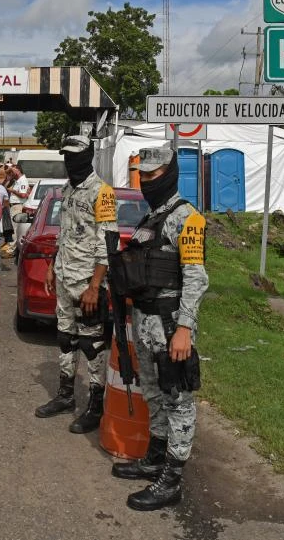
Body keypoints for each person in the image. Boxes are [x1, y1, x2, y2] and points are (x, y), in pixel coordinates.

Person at [110, 147, 208, 511]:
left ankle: (172, 478)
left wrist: (185, 328)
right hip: (145, 322)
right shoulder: (151, 217)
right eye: (142, 175)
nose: (146, 181)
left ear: (170, 174)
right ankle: (154, 457)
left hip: (170, 325)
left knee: (178, 399)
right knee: (153, 394)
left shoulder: (188, 219)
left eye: (152, 175)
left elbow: (196, 278)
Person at [36, 134, 116, 434]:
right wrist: (52, 267)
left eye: (75, 157)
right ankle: (66, 395)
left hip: (87, 284)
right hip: (65, 276)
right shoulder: (67, 190)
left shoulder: (102, 192)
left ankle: (96, 406)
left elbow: (107, 243)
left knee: (91, 344)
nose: (69, 162)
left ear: (88, 156)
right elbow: (65, 234)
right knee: (65, 338)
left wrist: (95, 286)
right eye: (66, 156)